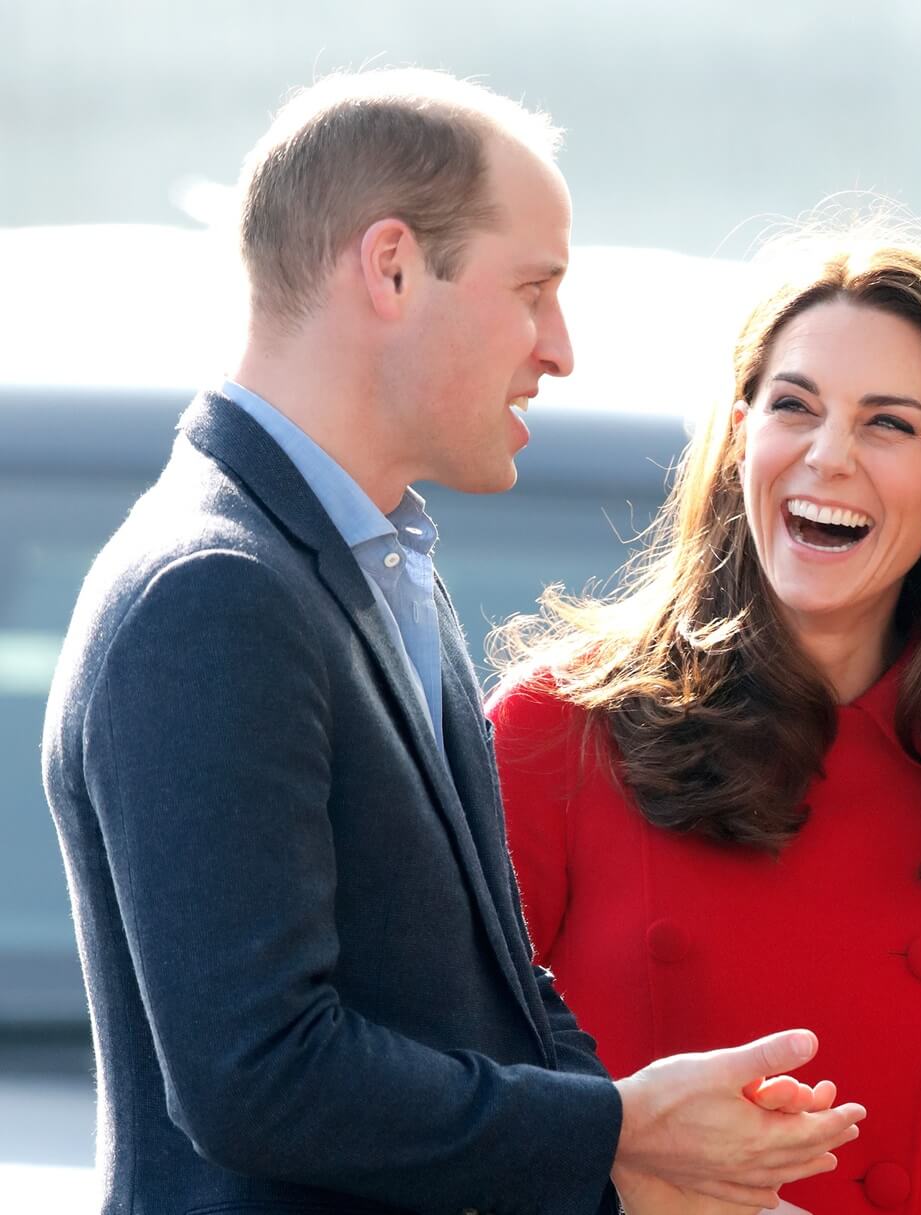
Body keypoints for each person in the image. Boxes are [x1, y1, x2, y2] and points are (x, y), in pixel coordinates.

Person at [41, 71, 867, 1215]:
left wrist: (662, 1165)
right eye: (534, 290)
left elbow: (475, 999)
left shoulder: (375, 571)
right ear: (389, 268)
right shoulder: (214, 591)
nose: (562, 348)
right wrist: (618, 1130)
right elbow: (258, 1077)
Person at [487, 228, 921, 1213]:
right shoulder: (557, 732)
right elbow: (439, 1109)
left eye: (889, 425)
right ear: (743, 437)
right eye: (795, 406)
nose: (828, 456)